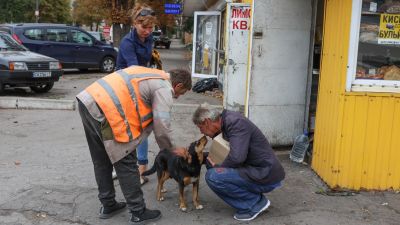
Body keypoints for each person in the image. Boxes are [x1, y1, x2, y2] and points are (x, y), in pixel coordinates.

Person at [77, 66, 192, 225]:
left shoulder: (151, 73)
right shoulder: (164, 87)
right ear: (178, 85)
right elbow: (162, 125)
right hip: (108, 112)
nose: (178, 97)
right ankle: (138, 211)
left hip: (88, 100)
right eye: (181, 93)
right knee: (126, 161)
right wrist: (172, 150)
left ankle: (108, 205)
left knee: (101, 160)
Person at [192, 103, 285, 221]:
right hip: (256, 169)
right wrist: (199, 157)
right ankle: (252, 198)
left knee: (214, 175)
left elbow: (237, 158)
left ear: (207, 122)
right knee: (214, 167)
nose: (202, 132)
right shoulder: (226, 121)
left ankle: (254, 204)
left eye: (201, 128)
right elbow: (230, 154)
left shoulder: (235, 123)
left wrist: (218, 167)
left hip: (265, 173)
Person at [115, 3, 158, 185]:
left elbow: (146, 65)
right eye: (144, 27)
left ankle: (141, 169)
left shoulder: (148, 39)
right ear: (134, 23)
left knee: (141, 129)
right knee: (125, 129)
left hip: (140, 84)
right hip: (123, 86)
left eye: (151, 27)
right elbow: (134, 70)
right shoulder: (127, 43)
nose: (148, 31)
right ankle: (120, 166)